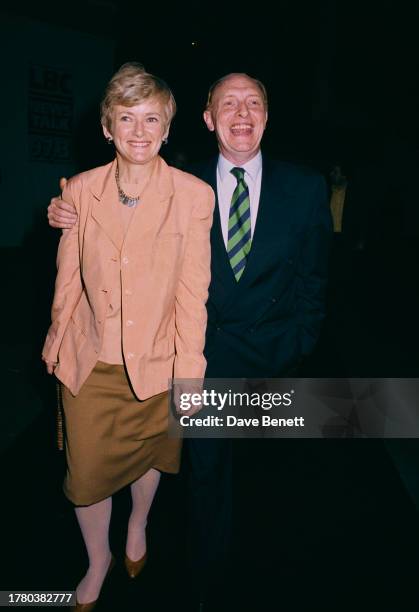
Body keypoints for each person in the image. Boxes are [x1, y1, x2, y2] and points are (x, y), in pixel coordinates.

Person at [47, 72, 332, 609]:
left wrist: (299, 343)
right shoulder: (185, 181)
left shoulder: (304, 186)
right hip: (195, 353)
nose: (242, 114)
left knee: (270, 487)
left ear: (267, 117)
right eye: (229, 104)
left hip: (267, 359)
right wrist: (64, 212)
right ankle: (201, 584)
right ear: (207, 120)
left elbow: (314, 277)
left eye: (254, 103)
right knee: (202, 483)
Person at [42, 62, 214, 611]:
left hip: (158, 364)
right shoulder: (81, 191)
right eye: (126, 119)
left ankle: (138, 524)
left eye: (151, 120)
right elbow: (67, 280)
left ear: (167, 128)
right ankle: (99, 560)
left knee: (149, 459)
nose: (138, 132)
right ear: (106, 127)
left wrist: (189, 373)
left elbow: (193, 292)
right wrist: (54, 344)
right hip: (90, 364)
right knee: (86, 475)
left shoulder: (193, 196)